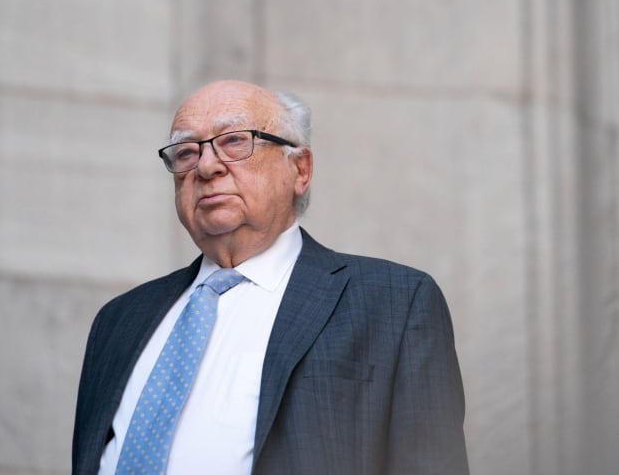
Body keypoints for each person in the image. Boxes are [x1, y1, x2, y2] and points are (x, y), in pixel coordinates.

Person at [72, 80, 469, 475]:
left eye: (234, 142)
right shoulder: (120, 320)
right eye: (186, 151)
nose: (206, 167)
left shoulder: (393, 303)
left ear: (300, 169)